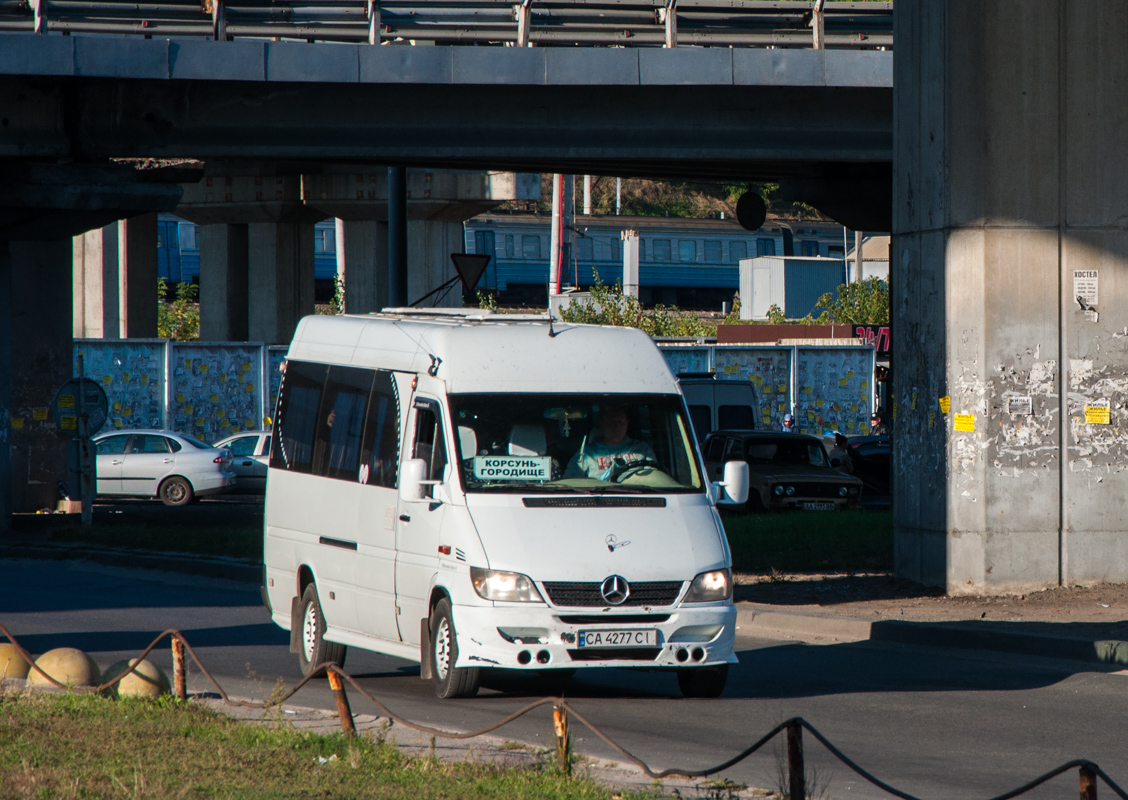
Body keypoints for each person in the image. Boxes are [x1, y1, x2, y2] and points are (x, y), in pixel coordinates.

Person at [565, 405, 656, 480]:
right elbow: (571, 482)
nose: (616, 427)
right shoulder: (586, 454)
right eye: (611, 423)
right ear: (602, 424)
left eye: (621, 423)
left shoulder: (642, 449)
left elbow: (654, 478)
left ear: (627, 424)